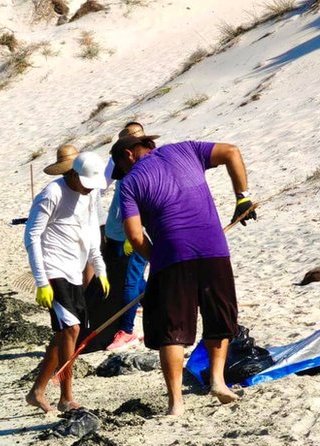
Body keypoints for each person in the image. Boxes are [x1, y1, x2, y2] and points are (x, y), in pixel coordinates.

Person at [111, 134, 257, 416]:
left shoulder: (129, 183)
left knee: (171, 331)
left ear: (129, 155)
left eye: (122, 166)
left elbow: (133, 234)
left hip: (172, 257)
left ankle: (176, 402)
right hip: (213, 248)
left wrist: (157, 257)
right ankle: (218, 382)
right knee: (220, 318)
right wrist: (243, 198)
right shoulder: (187, 149)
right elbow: (232, 151)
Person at [24, 147, 110, 413]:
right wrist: (41, 281)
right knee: (72, 329)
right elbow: (32, 235)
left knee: (66, 334)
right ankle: (66, 397)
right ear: (72, 174)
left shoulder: (91, 191)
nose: (87, 190)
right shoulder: (52, 193)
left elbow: (92, 230)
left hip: (75, 269)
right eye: (84, 185)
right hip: (53, 269)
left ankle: (37, 391)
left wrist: (100, 266)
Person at [103, 122, 157, 351]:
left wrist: (132, 235)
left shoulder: (147, 165)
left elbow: (146, 203)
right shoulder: (121, 163)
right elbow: (102, 186)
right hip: (118, 230)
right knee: (138, 282)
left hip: (132, 233)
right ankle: (157, 320)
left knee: (130, 281)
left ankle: (127, 331)